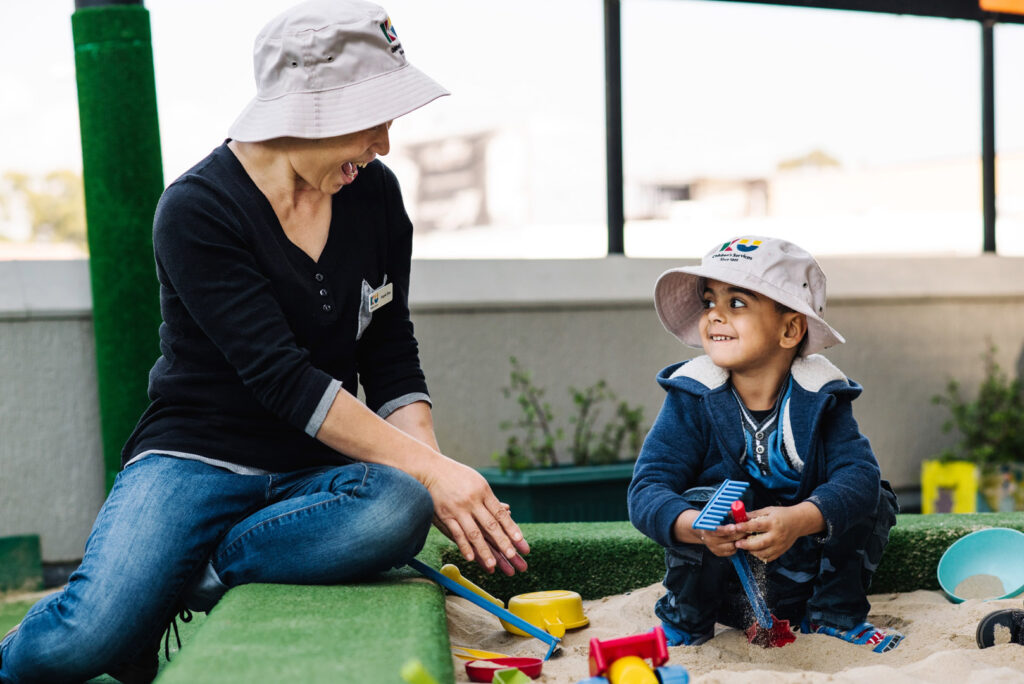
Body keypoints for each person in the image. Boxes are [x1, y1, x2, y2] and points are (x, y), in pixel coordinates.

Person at [0, 1, 529, 681]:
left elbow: (389, 347)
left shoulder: (376, 195)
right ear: (308, 108)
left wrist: (431, 479)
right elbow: (284, 379)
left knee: (399, 505)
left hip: (320, 474)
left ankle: (200, 573)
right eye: (373, 121)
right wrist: (436, 474)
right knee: (85, 643)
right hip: (194, 458)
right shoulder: (196, 210)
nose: (384, 146)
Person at [627, 236, 902, 653]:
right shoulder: (692, 397)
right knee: (700, 500)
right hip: (723, 579)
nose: (715, 315)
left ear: (790, 329)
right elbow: (647, 490)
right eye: (708, 302)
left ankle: (833, 617)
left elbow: (859, 476)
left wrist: (799, 519)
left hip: (803, 579)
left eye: (736, 302)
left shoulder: (822, 397)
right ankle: (686, 622)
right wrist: (696, 528)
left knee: (873, 497)